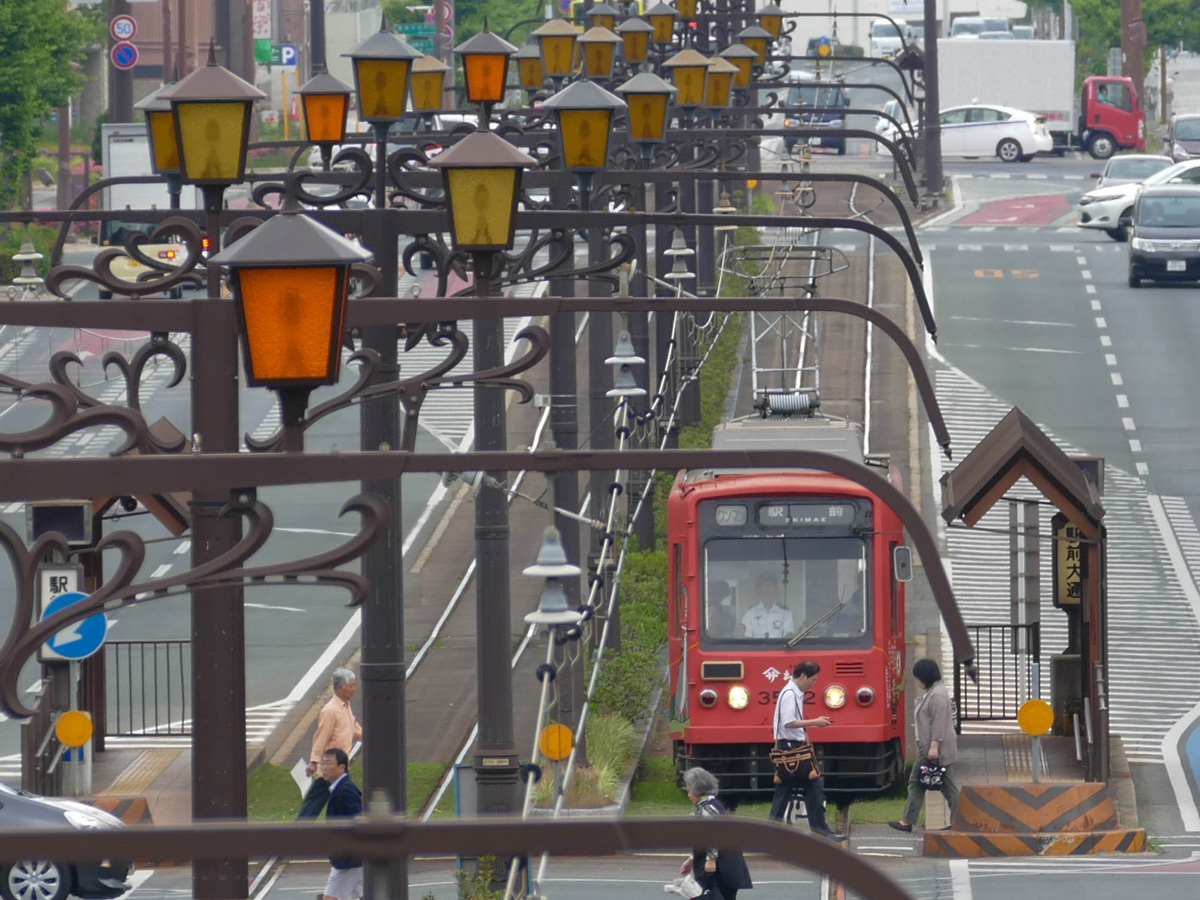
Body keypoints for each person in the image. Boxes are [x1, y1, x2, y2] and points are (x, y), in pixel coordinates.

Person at [768, 661, 845, 841]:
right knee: (813, 786)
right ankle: (821, 830)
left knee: (784, 790)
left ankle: (772, 832)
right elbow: (788, 722)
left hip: (789, 747)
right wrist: (815, 722)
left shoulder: (793, 692)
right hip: (791, 748)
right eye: (813, 679)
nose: (813, 683)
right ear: (802, 676)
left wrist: (805, 735)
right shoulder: (790, 694)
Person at [889, 658, 960, 833]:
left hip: (933, 749)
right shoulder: (934, 693)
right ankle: (909, 820)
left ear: (925, 677)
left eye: (918, 677)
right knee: (935, 785)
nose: (917, 681)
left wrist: (934, 747)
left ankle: (909, 821)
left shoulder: (937, 696)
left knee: (925, 784)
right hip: (929, 747)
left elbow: (939, 723)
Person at [679, 767, 753, 900]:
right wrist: (692, 859)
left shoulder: (708, 809)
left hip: (721, 867)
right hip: (728, 865)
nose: (688, 795)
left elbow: (714, 834)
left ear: (697, 790)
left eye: (689, 790)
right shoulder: (711, 804)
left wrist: (711, 860)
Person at [299, 667, 363, 818]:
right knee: (313, 807)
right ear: (340, 687)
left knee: (343, 798)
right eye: (351, 686)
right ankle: (299, 833)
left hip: (340, 766)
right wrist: (314, 762)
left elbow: (353, 729)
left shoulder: (346, 707)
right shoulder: (330, 711)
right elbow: (321, 737)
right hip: (330, 768)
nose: (354, 689)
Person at [320, 748, 363, 900]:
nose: (323, 767)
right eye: (322, 763)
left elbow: (357, 820)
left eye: (328, 763)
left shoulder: (346, 791)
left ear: (342, 767)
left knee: (330, 898)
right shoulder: (339, 789)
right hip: (351, 858)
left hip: (348, 859)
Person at [740, 574, 795, 639]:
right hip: (756, 648)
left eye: (770, 586)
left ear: (776, 590)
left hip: (779, 648)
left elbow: (788, 637)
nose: (767, 589)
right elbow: (746, 637)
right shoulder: (750, 613)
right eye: (764, 586)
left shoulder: (785, 613)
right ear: (759, 590)